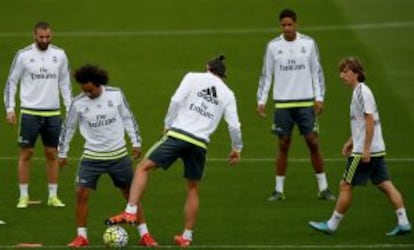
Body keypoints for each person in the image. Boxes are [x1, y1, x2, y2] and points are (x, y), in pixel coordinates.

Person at [105, 55, 243, 247]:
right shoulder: (228, 94)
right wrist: (237, 148)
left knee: (143, 167)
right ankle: (186, 237)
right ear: (223, 75)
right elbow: (234, 126)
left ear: (208, 67)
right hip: (200, 144)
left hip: (178, 135)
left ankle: (130, 210)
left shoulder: (193, 77)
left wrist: (167, 124)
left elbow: (176, 100)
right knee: (193, 188)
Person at [309, 57, 411, 236]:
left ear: (356, 72)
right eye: (341, 71)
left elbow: (370, 120)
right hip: (375, 148)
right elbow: (363, 122)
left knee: (345, 184)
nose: (342, 75)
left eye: (346, 71)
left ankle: (332, 225)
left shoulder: (362, 92)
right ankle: (404, 222)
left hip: (366, 150)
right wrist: (351, 140)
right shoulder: (359, 92)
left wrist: (364, 148)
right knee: (384, 184)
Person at [58, 64, 158, 247]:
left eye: (89, 90)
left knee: (131, 195)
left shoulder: (115, 94)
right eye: (83, 90)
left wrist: (136, 142)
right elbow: (68, 127)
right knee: (81, 193)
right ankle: (82, 236)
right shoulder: (77, 103)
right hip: (92, 156)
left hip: (118, 155)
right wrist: (62, 152)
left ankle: (145, 235)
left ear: (98, 84)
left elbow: (128, 117)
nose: (86, 93)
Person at [256, 9, 334, 201]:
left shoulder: (308, 43)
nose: (287, 28)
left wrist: (319, 97)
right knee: (283, 144)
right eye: (283, 25)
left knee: (312, 142)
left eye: (290, 24)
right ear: (280, 25)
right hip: (283, 104)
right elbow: (267, 75)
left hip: (306, 102)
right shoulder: (273, 46)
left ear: (296, 24)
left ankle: (323, 188)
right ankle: (279, 190)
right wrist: (261, 100)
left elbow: (317, 72)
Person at [3, 21, 72, 208]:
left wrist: (70, 108)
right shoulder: (24, 55)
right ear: (34, 35)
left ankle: (53, 196)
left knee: (52, 153)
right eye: (41, 37)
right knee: (26, 153)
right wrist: (10, 108)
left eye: (47, 37)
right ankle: (23, 196)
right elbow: (12, 82)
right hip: (29, 112)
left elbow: (65, 83)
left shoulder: (60, 55)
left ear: (52, 35)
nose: (44, 40)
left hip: (53, 112)